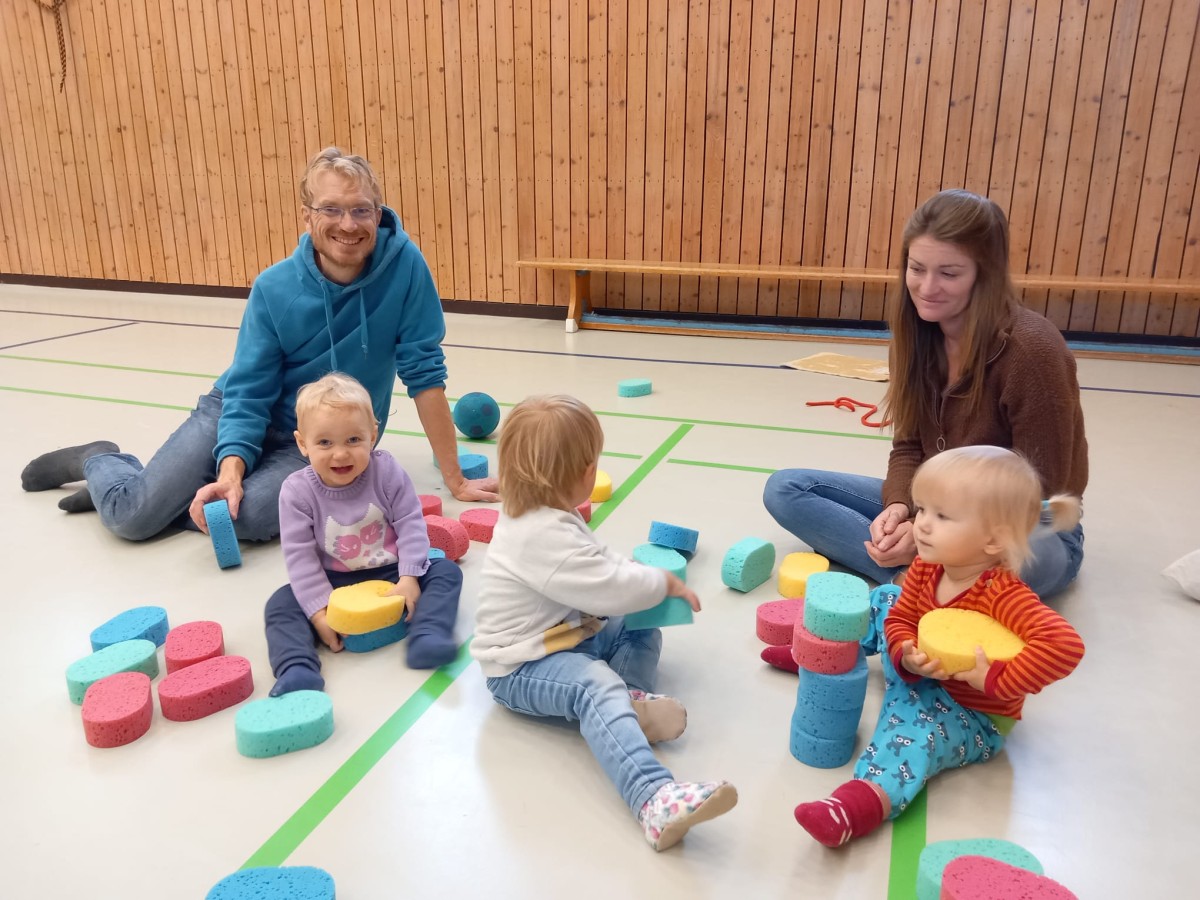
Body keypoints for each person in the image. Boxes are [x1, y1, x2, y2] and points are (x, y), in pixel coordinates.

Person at [20, 147, 497, 543]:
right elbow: (249, 392)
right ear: (307, 216)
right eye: (331, 209)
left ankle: (160, 494)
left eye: (360, 210)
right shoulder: (274, 287)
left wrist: (455, 478)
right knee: (131, 520)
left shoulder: (407, 268)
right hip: (234, 408)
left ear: (378, 212)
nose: (348, 224)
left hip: (321, 435)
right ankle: (103, 461)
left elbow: (424, 374)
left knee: (247, 519)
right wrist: (230, 472)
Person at [763, 189, 1087, 600]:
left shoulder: (1032, 349)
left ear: (985, 274)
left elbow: (1039, 487)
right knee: (786, 489)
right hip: (932, 508)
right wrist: (899, 508)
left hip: (1019, 524)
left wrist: (927, 534)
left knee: (1028, 563)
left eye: (949, 274)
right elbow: (908, 447)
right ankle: (931, 584)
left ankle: (917, 579)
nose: (927, 287)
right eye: (917, 269)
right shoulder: (915, 337)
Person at [470, 394, 738, 852]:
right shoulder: (537, 533)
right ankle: (652, 798)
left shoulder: (552, 516)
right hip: (521, 666)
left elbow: (598, 560)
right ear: (584, 472)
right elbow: (609, 588)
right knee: (594, 683)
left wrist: (635, 574)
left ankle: (628, 701)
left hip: (567, 635)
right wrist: (661, 583)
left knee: (639, 624)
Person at [793, 445, 1085, 847]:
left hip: (969, 710)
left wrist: (994, 678)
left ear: (993, 541)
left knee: (912, 733)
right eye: (923, 510)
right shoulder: (927, 567)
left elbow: (1064, 645)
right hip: (920, 669)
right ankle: (825, 655)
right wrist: (906, 652)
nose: (922, 526)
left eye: (942, 516)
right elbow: (901, 618)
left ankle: (858, 805)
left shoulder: (1003, 595)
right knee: (886, 599)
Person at [265, 373, 462, 694]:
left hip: (392, 571)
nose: (340, 454)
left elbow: (411, 523)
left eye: (353, 440)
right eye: (324, 443)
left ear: (373, 435)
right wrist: (319, 610)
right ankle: (296, 667)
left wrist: (410, 577)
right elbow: (300, 557)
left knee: (445, 572)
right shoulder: (296, 492)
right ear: (302, 443)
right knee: (281, 604)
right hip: (333, 580)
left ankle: (428, 634)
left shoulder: (386, 471)